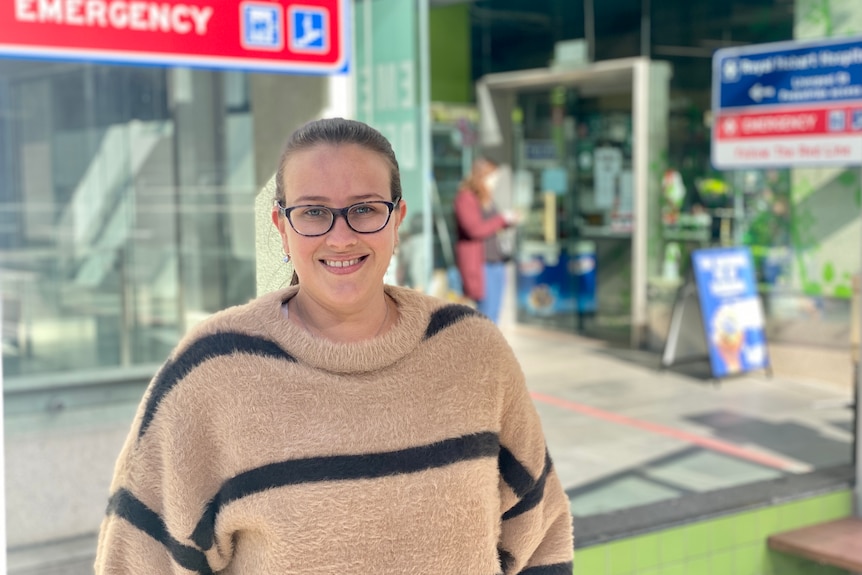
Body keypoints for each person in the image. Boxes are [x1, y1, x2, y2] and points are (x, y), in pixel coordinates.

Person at [94, 118, 573, 574]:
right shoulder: (213, 371)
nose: (340, 237)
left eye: (365, 209)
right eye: (314, 212)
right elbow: (136, 559)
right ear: (281, 227)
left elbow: (541, 530)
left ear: (397, 220)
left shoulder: (472, 350)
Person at [454, 156, 517, 324]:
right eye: (492, 177)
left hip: (496, 263)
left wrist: (507, 222)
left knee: (494, 315)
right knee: (486, 316)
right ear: (481, 176)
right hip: (481, 265)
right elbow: (474, 229)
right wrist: (502, 219)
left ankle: (490, 349)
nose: (494, 182)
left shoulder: (487, 199)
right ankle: (482, 350)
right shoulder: (465, 198)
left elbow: (490, 226)